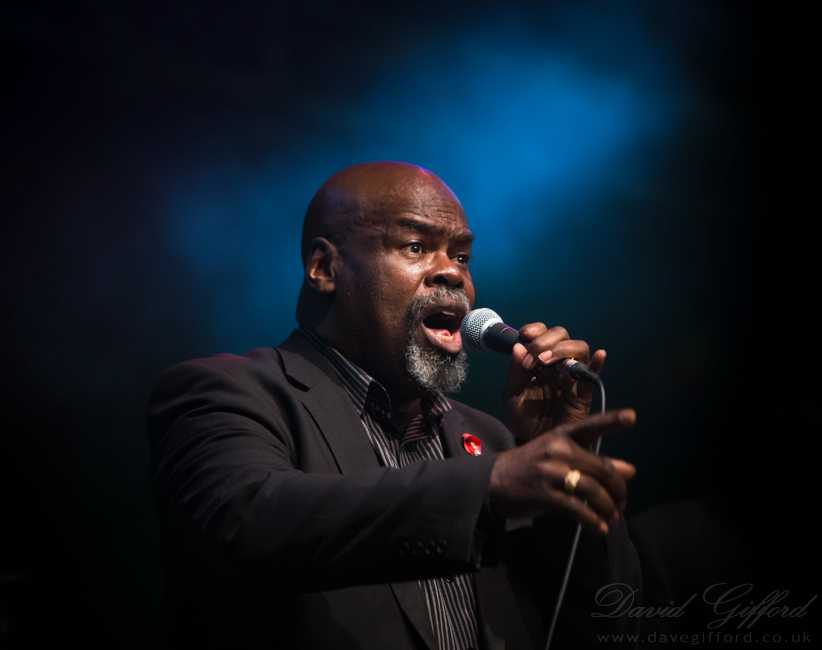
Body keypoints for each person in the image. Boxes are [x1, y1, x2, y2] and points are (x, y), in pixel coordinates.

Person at [147, 162, 642, 649]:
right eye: (415, 247)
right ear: (324, 268)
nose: (451, 272)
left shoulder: (494, 441)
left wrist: (559, 452)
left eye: (462, 256)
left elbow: (609, 625)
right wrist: (487, 487)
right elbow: (248, 524)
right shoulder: (224, 393)